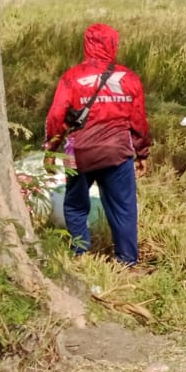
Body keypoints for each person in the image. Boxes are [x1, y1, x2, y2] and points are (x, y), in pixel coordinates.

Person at [44, 23, 151, 266]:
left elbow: (56, 117)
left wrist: (50, 149)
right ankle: (127, 261)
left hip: (78, 151)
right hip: (117, 151)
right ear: (113, 44)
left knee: (74, 204)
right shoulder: (129, 78)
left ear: (87, 45)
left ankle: (81, 255)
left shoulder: (72, 77)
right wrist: (142, 152)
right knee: (123, 209)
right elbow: (139, 120)